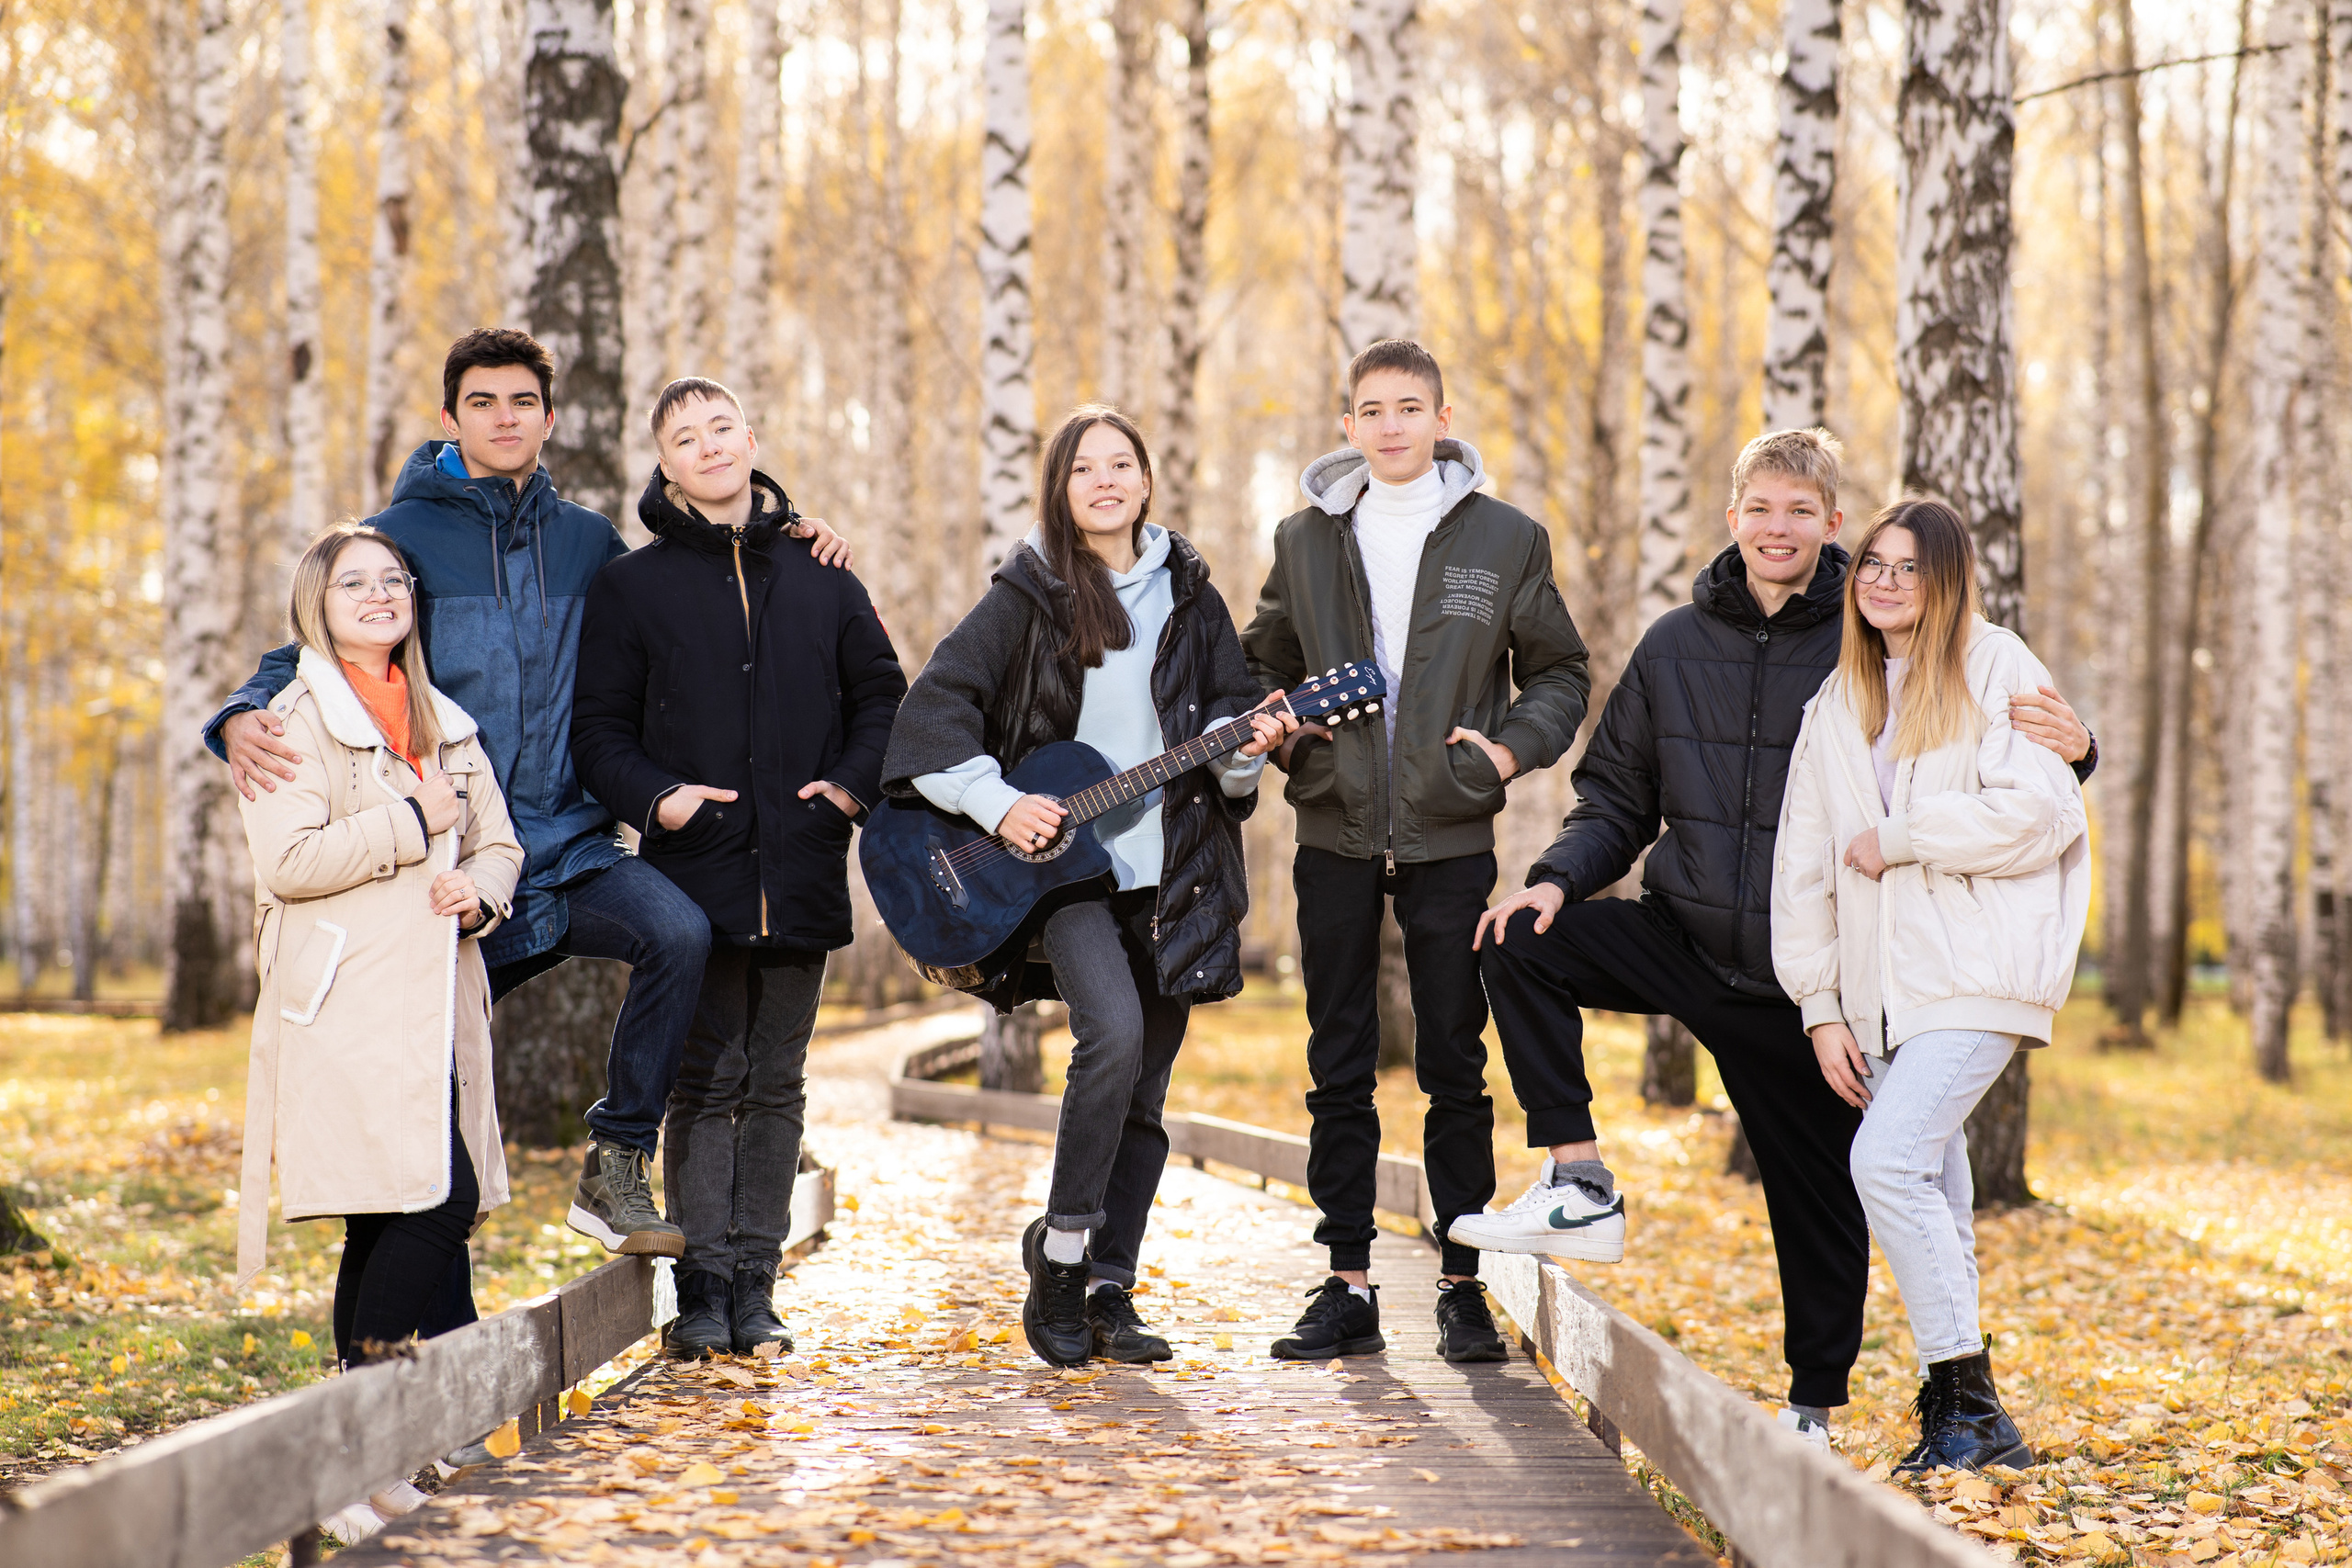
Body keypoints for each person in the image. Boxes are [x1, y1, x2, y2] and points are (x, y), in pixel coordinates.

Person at [1463, 428, 2097, 1451]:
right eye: (1760, 507)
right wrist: (1552, 878)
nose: (1777, 527)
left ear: (1831, 524)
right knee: (1520, 942)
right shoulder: (1674, 644)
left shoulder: (1873, 637)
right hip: (1684, 936)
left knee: (1825, 1204)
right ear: (1732, 516)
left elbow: (2000, 752)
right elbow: (1616, 795)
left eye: (1800, 510)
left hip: (1809, 982)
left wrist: (2083, 750)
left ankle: (1816, 1409)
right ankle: (1578, 1181)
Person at [203, 330, 851, 1302]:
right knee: (434, 1114)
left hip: (574, 845)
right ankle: (410, 1336)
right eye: (482, 402)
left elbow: (699, 587)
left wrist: (790, 536)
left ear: (549, 419)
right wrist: (238, 713)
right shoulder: (401, 541)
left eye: (521, 403)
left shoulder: (591, 543)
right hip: (458, 872)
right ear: (450, 417)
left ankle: (617, 1158)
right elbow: (315, 636)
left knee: (677, 930)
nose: (504, 419)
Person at [880, 406, 1292, 1367]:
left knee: (1144, 1092)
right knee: (1107, 1036)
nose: (1105, 482)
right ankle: (1061, 1258)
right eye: (1084, 469)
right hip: (1065, 875)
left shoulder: (1192, 595)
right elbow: (932, 717)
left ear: (1147, 481)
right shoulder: (1027, 596)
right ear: (1061, 490)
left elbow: (1230, 746)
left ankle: (1112, 1288)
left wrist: (1250, 750)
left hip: (1172, 874)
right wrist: (996, 803)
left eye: (1122, 465)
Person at [1239, 338, 1590, 1364]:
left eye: (1408, 407)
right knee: (1336, 1061)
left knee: (1454, 1062)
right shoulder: (1302, 539)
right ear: (1345, 426)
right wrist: (1285, 736)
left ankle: (1460, 1283)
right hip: (1332, 833)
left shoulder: (1505, 538)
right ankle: (1344, 1281)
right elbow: (1265, 668)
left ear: (1442, 418)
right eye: (1369, 409)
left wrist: (1508, 751)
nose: (1389, 425)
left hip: (1450, 836)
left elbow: (1560, 673)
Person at [572, 378, 907, 1358]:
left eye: (722, 428)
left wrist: (847, 790)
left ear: (750, 440)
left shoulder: (822, 574)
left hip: (801, 862)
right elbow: (596, 731)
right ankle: (701, 1290)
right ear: (665, 463)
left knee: (776, 1084)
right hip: (696, 873)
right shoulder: (632, 586)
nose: (709, 445)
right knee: (704, 1083)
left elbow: (881, 696)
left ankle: (756, 1286)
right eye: (686, 436)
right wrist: (658, 798)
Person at [1772, 497, 2086, 1472]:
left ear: (1946, 579)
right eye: (1872, 562)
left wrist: (1903, 839)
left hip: (1977, 971)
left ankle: (1968, 1401)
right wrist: (1820, 1009)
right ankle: (1965, 1416)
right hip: (1882, 995)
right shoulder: (1835, 705)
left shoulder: (1997, 666)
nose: (1885, 582)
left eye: (1909, 567)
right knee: (1936, 1197)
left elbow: (2040, 816)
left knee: (1886, 1164)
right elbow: (1803, 868)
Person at [232, 524, 523, 1540]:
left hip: (436, 1000)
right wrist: (410, 823)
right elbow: (291, 862)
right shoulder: (287, 720)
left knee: (388, 1212)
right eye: (353, 582)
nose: (377, 594)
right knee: (435, 1202)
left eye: (391, 580)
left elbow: (500, 844)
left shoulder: (445, 720)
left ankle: (381, 1460)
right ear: (316, 602)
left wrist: (475, 890)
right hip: (350, 1000)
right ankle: (350, 1452)